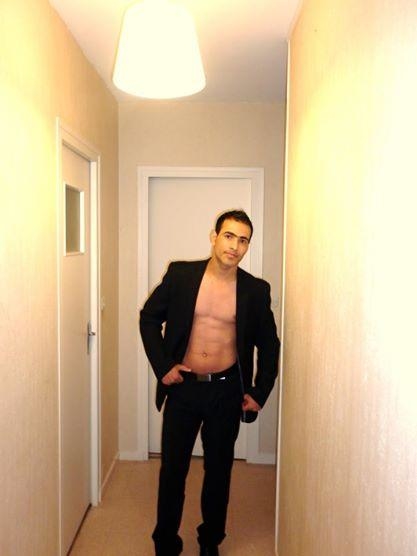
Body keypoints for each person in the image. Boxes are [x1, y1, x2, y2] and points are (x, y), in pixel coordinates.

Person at [139, 209, 280, 556]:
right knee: (173, 471)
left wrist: (259, 392)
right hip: (184, 387)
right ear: (214, 237)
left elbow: (270, 345)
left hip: (225, 391)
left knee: (219, 472)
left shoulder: (255, 290)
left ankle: (209, 541)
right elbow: (149, 318)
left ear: (248, 246)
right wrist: (163, 366)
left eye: (243, 240)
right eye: (229, 236)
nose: (235, 246)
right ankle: (165, 543)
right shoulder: (182, 275)